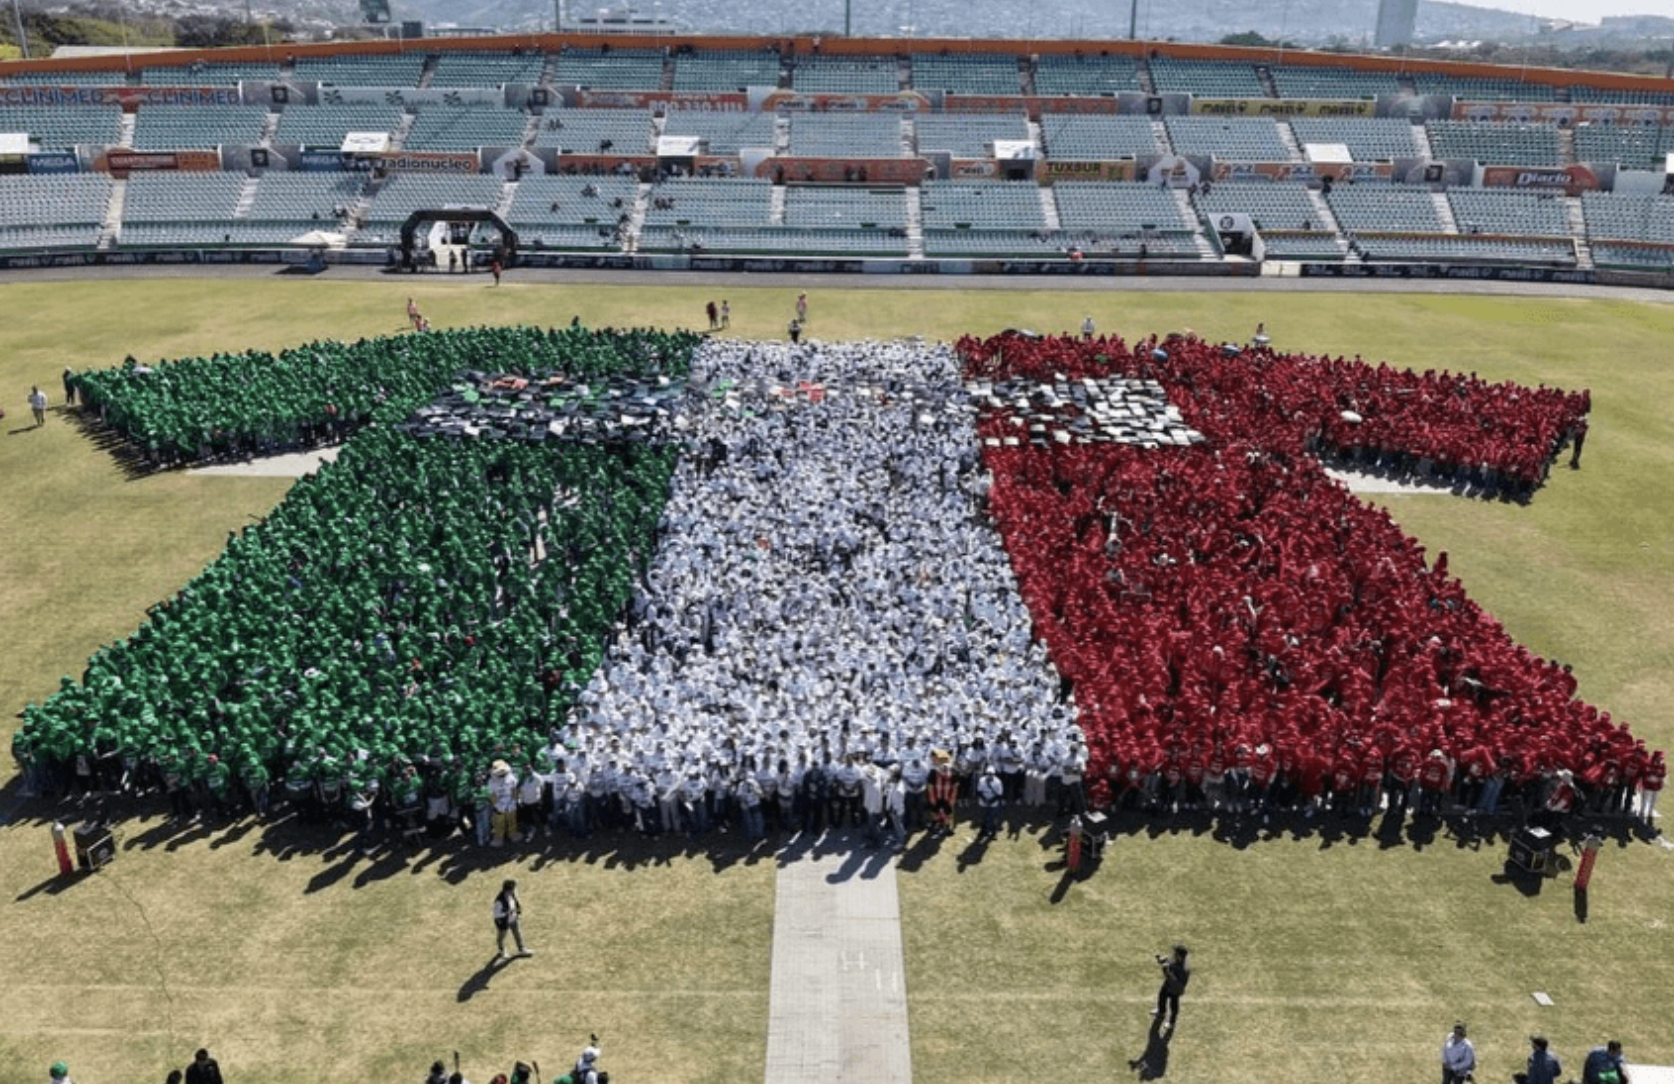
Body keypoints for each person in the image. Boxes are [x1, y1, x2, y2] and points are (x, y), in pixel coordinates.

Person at [1151, 944, 1191, 1029]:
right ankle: (1161, 1011)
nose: (1173, 955)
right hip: (1168, 985)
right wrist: (1161, 960)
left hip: (1175, 989)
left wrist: (1167, 971)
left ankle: (1171, 1022)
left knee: (1173, 1006)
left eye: (1175, 954)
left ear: (1180, 956)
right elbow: (1167, 961)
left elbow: (1174, 981)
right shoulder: (1174, 961)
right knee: (1162, 996)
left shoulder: (1184, 969)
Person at [493, 878, 532, 960]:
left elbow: (515, 904)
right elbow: (496, 915)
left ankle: (521, 949)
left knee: (517, 934)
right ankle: (502, 951)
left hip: (513, 919)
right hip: (503, 921)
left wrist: (517, 912)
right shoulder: (499, 901)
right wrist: (506, 913)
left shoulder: (512, 895)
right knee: (501, 938)